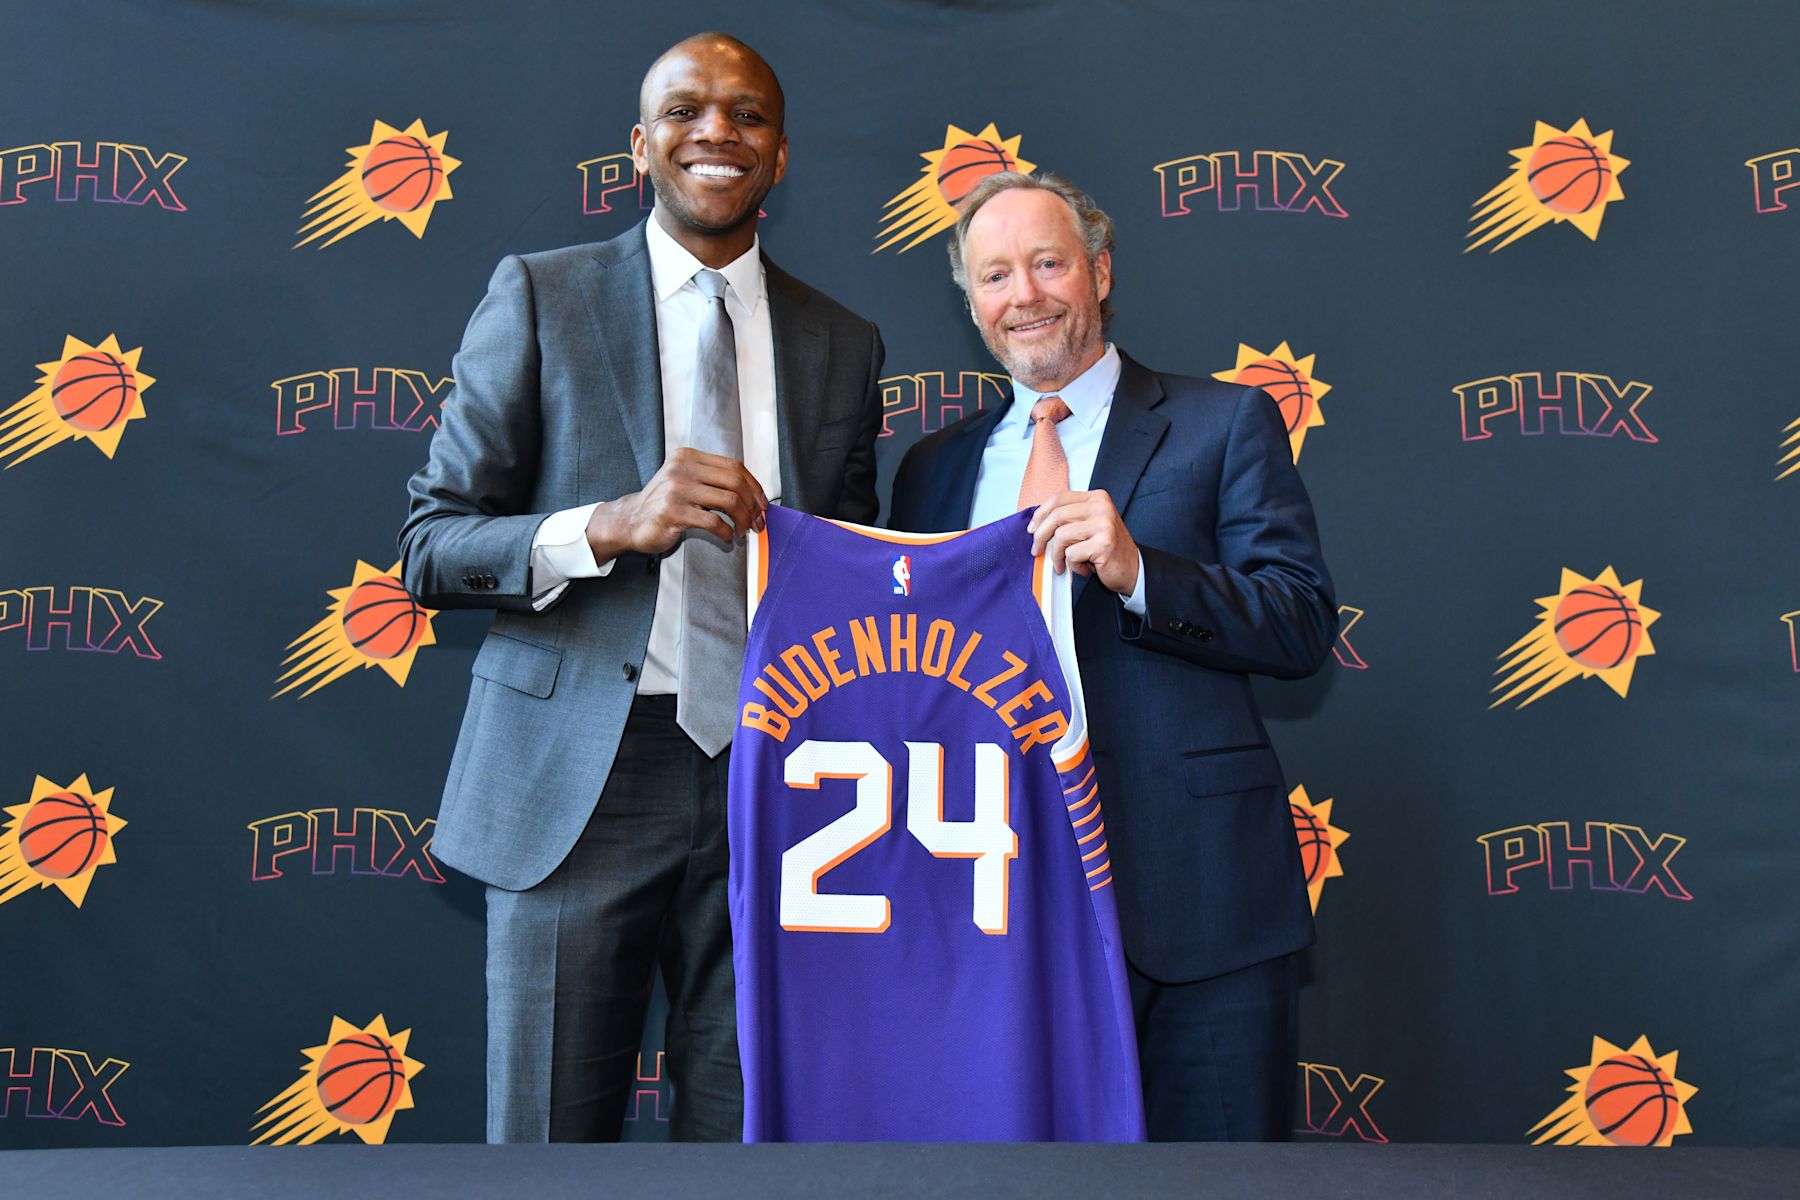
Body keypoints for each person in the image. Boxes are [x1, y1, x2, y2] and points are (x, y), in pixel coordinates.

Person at [399, 33, 883, 1143]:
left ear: (781, 154)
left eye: (747, 115)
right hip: (582, 783)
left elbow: (846, 571)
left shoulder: (844, 343)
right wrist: (611, 526)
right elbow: (432, 546)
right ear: (640, 145)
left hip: (785, 785)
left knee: (751, 1141)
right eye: (687, 111)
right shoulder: (540, 296)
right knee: (549, 1148)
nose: (717, 132)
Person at [889, 171, 1335, 1141]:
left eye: (1048, 263)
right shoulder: (932, 470)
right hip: (991, 910)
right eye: (996, 275)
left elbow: (1301, 623)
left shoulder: (1223, 423)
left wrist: (1141, 571)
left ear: (1097, 270)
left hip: (1196, 903)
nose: (1026, 295)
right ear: (970, 302)